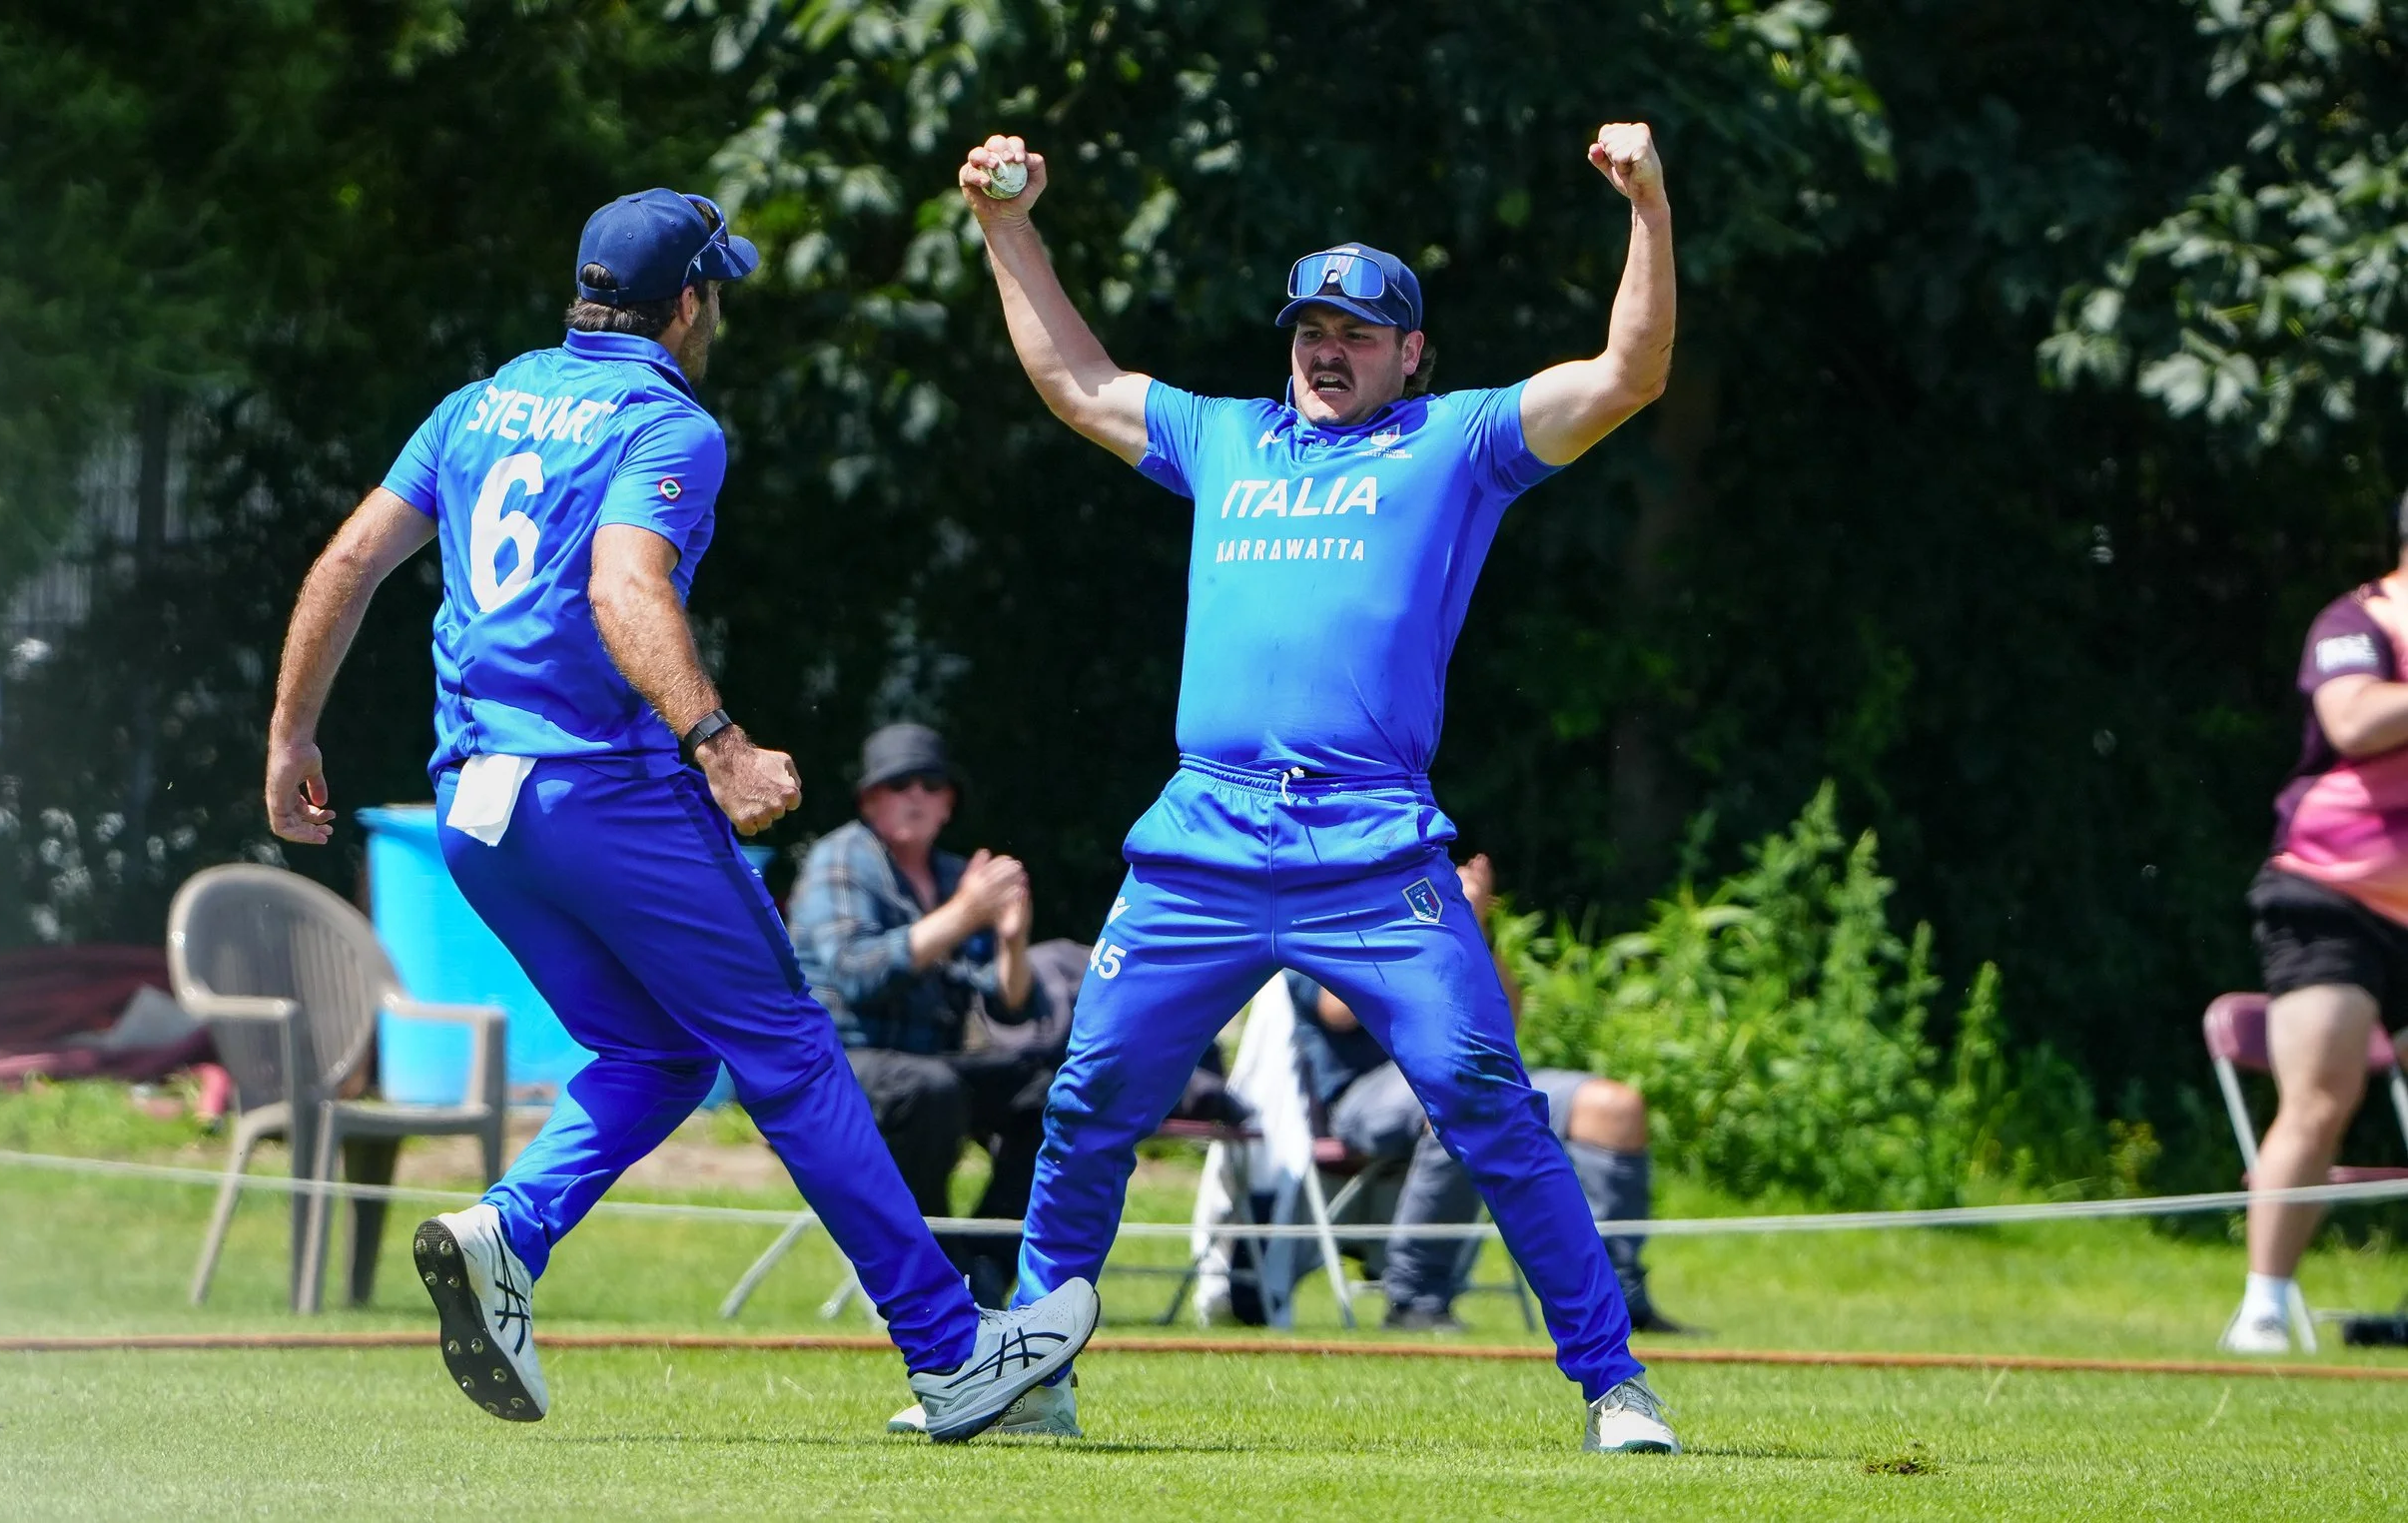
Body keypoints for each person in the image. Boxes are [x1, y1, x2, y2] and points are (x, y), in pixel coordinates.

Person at [264, 186, 1094, 1442]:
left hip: (476, 809)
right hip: (605, 793)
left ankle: (507, 1231)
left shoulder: (473, 405)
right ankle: (948, 1348)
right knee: (790, 1051)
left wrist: (289, 734)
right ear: (690, 301)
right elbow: (621, 582)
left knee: (659, 1052)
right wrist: (719, 742)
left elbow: (346, 563)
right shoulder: (671, 426)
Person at [955, 122, 1682, 1452]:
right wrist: (1009, 229)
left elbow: (1630, 372)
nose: (1324, 348)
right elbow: (1079, 382)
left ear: (1412, 353)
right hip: (1202, 841)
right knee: (1088, 1104)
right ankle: (1034, 1368)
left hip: (1371, 847)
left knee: (1488, 1103)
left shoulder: (1456, 442)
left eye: (1355, 329)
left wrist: (1645, 202)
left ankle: (1616, 1385)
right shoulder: (1224, 439)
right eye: (1308, 327)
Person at [1284, 854, 1680, 1334]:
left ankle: (1620, 1300)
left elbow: (1506, 1020)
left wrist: (1468, 927)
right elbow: (1339, 1011)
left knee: (1615, 1109)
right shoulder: (1317, 912)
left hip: (1461, 1078)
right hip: (1362, 1096)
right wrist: (1415, 926)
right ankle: (1415, 1297)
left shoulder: (1438, 917)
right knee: (1464, 1101)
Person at [2222, 491, 2408, 1353]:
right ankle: (2263, 1308)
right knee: (2322, 1099)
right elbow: (2356, 719)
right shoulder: (2354, 620)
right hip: (2330, 897)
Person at [790, 722, 1054, 1303]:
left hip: (929, 1067)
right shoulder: (841, 859)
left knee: (1050, 1092)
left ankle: (983, 1264)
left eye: (930, 783)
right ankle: (931, 1270)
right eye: (898, 783)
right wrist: (962, 916)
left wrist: (1012, 940)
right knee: (930, 1089)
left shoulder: (958, 878)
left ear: (949, 802)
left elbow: (1011, 1009)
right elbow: (855, 973)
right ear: (869, 800)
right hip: (837, 1067)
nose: (916, 795)